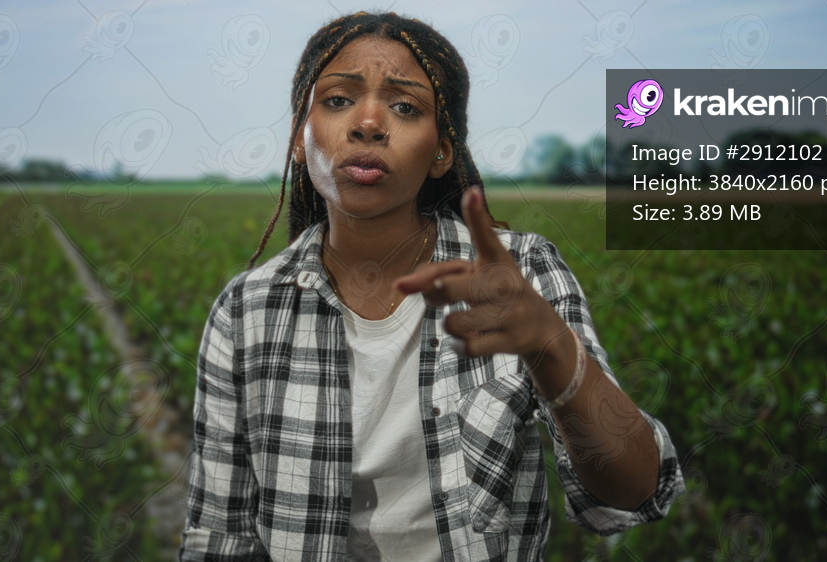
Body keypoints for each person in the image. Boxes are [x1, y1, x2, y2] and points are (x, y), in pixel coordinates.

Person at [180, 11, 685, 561]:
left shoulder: (522, 271)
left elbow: (634, 492)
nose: (368, 123)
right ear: (299, 139)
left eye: (405, 107)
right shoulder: (246, 310)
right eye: (338, 99)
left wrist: (552, 346)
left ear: (442, 150)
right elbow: (220, 537)